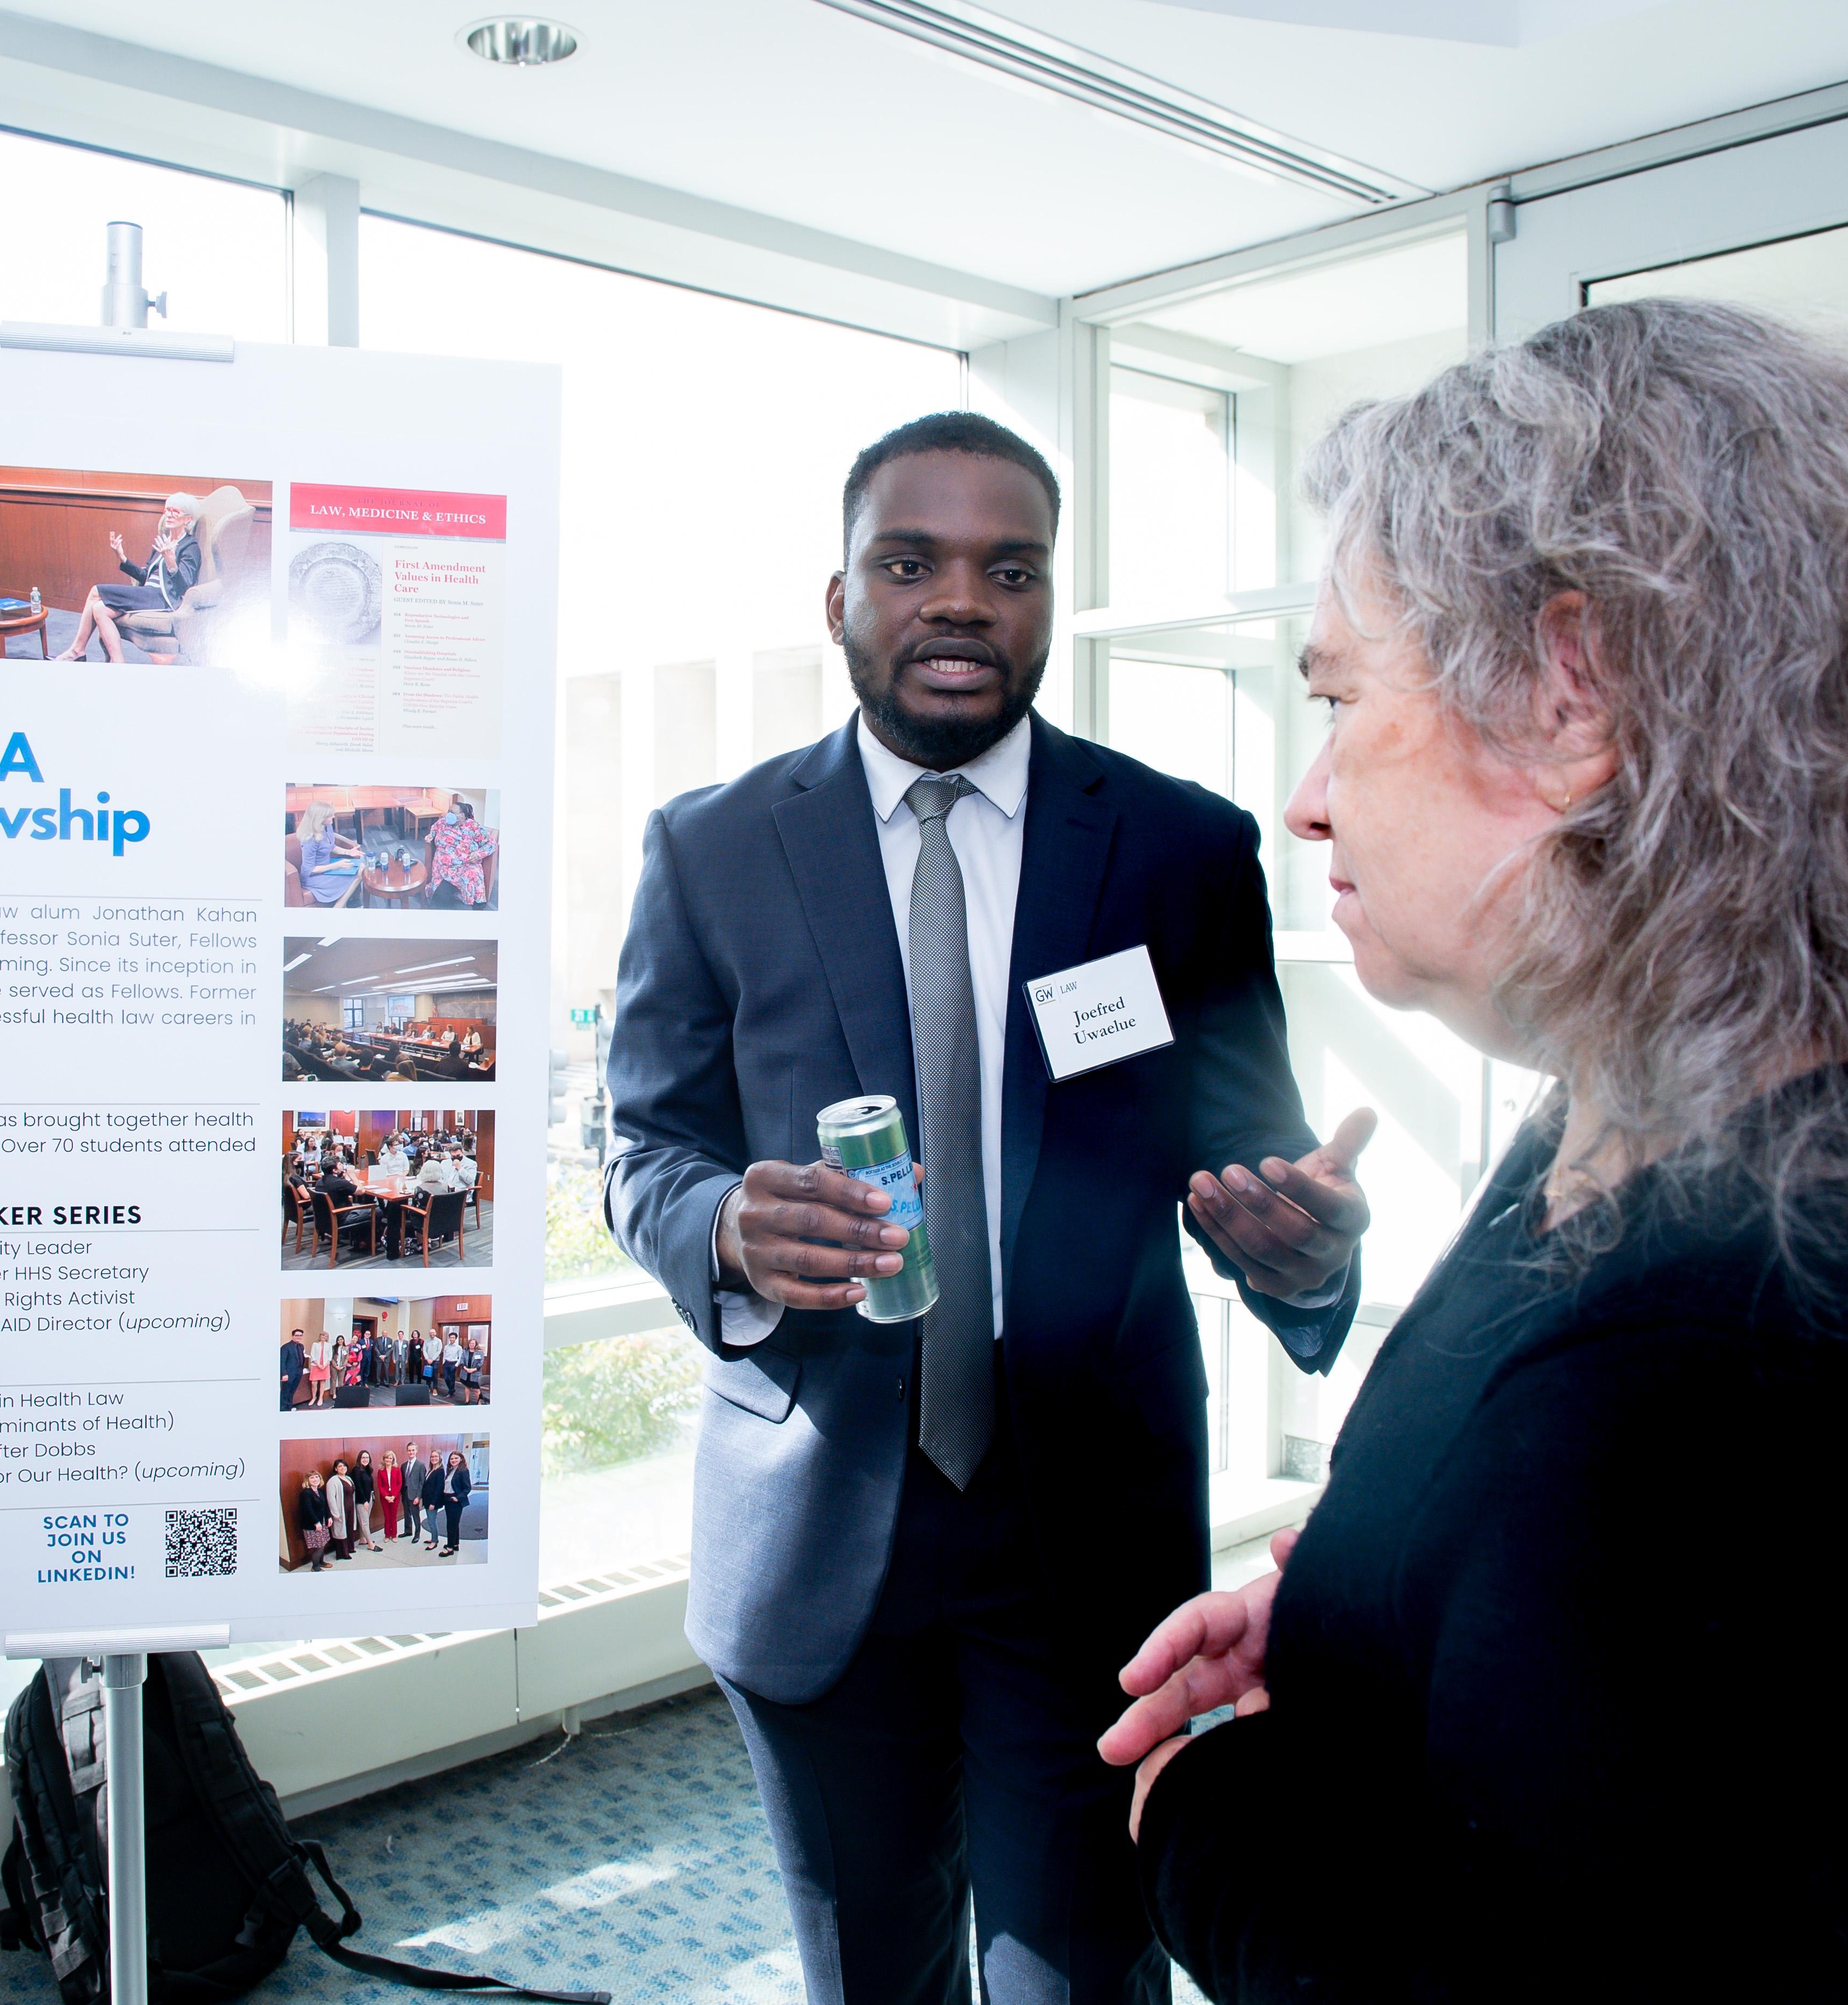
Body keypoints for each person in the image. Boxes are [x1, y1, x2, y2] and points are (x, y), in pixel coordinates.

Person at [1107, 300, 1848, 2002]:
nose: (1308, 794)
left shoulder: (1734, 1364)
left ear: (1569, 695)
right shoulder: (1664, 1119)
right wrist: (1367, 1606)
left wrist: (1200, 1796)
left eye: (1343, 693)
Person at [604, 410, 1369, 2005]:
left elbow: (1252, 1151)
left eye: (1006, 568)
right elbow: (642, 1146)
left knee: (1083, 1971)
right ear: (840, 599)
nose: (960, 599)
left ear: (1044, 597)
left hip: (1082, 1531)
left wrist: (1299, 1247)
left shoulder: (1175, 850)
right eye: (910, 561)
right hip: (819, 1524)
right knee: (868, 1969)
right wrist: (726, 1227)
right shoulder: (712, 848)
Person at [57, 493, 200, 664]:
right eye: (167, 510)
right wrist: (123, 558)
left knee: (97, 590)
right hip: (148, 593)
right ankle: (119, 663)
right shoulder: (163, 541)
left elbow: (186, 586)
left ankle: (77, 651)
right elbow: (146, 576)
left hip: (164, 598)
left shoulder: (190, 547)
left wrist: (171, 562)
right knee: (100, 609)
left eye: (175, 511)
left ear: (188, 519)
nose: (168, 515)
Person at [426, 796, 499, 909]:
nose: (448, 815)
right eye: (449, 811)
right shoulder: (443, 822)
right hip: (443, 869)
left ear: (463, 816)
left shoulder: (473, 827)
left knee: (477, 903)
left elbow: (492, 844)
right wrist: (431, 835)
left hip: (465, 868)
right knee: (440, 900)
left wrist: (478, 854)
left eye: (452, 812)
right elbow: (434, 828)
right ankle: (454, 891)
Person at [297, 807, 364, 907]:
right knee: (357, 873)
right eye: (330, 815)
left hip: (328, 866)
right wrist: (336, 866)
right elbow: (310, 870)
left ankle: (340, 905)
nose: (334, 816)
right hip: (314, 876)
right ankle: (339, 907)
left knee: (362, 868)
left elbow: (331, 847)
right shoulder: (309, 840)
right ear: (320, 818)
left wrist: (348, 852)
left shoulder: (327, 827)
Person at [295, 1469, 332, 1571]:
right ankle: (315, 1567)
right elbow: (308, 1510)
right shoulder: (306, 1493)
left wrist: (329, 1517)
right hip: (313, 1525)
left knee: (323, 1543)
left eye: (317, 1477)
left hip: (322, 1522)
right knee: (319, 1546)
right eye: (312, 1477)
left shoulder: (320, 1491)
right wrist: (316, 1523)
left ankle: (321, 1562)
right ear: (308, 1480)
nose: (315, 1479)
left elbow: (325, 1506)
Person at [435, 1451, 471, 1555]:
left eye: (456, 1458)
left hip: (455, 1501)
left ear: (461, 1459)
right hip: (447, 1499)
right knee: (454, 1524)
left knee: (451, 1525)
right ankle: (455, 1544)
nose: (454, 1460)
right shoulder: (451, 1471)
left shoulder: (463, 1471)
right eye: (452, 1459)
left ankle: (450, 1548)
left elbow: (468, 1488)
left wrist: (457, 1498)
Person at [323, 1461, 355, 1564]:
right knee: (341, 1531)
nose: (343, 1468)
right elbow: (331, 1498)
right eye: (340, 1466)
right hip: (340, 1509)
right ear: (336, 1469)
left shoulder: (348, 1478)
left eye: (344, 1466)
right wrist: (335, 1513)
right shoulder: (333, 1481)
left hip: (350, 1508)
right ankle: (343, 1554)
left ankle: (350, 1548)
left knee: (349, 1528)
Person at [402, 1443, 431, 1543]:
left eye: (413, 1450)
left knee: (415, 1515)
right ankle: (408, 1531)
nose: (411, 1452)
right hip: (405, 1493)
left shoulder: (421, 1465)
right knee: (407, 1514)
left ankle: (417, 1534)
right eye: (409, 1450)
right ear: (407, 1451)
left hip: (415, 1495)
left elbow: (422, 1483)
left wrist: (419, 1497)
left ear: (416, 1451)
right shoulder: (404, 1465)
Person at [351, 1450, 378, 1551]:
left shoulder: (367, 1470)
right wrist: (364, 1501)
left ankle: (363, 1539)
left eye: (367, 1458)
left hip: (369, 1498)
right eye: (363, 1458)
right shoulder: (356, 1470)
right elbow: (358, 1486)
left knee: (364, 1521)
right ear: (359, 1459)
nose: (365, 1460)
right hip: (362, 1501)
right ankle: (371, 1545)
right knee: (365, 1522)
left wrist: (372, 1497)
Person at [379, 1449, 403, 1543]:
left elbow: (399, 1484)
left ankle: (394, 1535)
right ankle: (387, 1534)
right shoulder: (381, 1471)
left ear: (393, 1460)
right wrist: (386, 1496)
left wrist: (394, 1496)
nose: (388, 1460)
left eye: (390, 1458)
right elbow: (380, 1486)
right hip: (385, 1498)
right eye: (387, 1458)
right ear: (384, 1459)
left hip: (395, 1497)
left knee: (393, 1517)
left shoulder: (397, 1470)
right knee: (387, 1517)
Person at [279, 1329, 306, 1412]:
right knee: (285, 1392)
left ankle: (289, 1407)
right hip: (289, 1373)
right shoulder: (286, 1347)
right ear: (293, 1336)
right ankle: (283, 1409)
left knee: (292, 1391)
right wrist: (284, 1374)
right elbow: (282, 1361)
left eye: (300, 1336)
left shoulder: (301, 1346)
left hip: (298, 1373)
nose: (299, 1337)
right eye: (297, 1335)